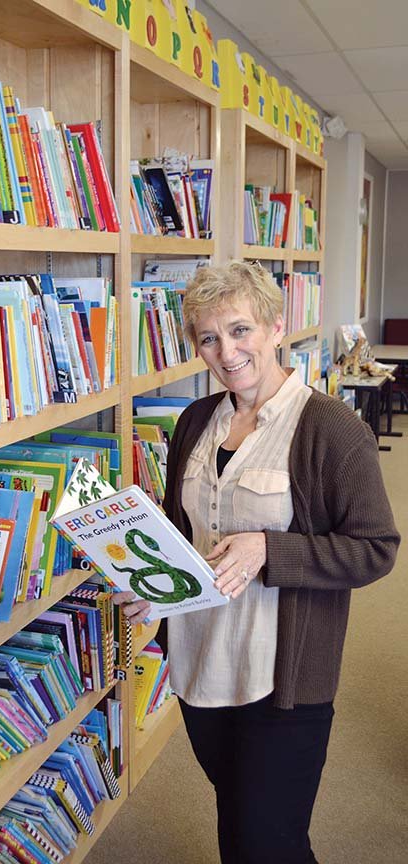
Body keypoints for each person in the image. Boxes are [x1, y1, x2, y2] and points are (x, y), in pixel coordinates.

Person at [115, 261, 400, 864]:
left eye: (240, 330)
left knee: (262, 841)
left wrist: (271, 548)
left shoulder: (333, 429)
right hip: (199, 661)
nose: (226, 351)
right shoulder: (195, 422)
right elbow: (180, 530)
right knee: (244, 820)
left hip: (280, 679)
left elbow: (376, 548)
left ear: (275, 328)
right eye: (209, 338)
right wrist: (152, 582)